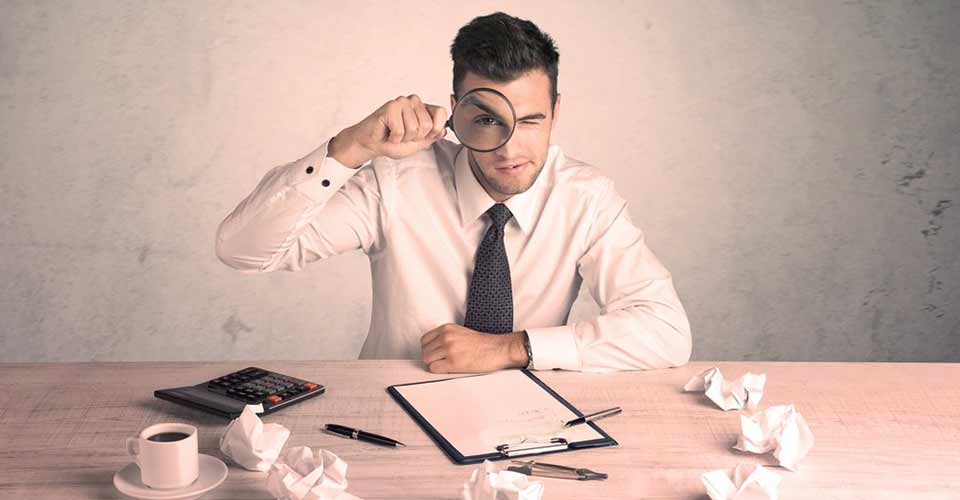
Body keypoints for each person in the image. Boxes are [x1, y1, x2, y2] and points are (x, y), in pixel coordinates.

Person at [215, 11, 692, 374]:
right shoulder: (395, 183)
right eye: (486, 120)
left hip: (527, 416)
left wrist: (513, 347)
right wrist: (350, 147)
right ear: (455, 112)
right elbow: (242, 252)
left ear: (556, 111)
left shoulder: (585, 199)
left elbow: (666, 332)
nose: (511, 148)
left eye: (530, 121)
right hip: (390, 407)